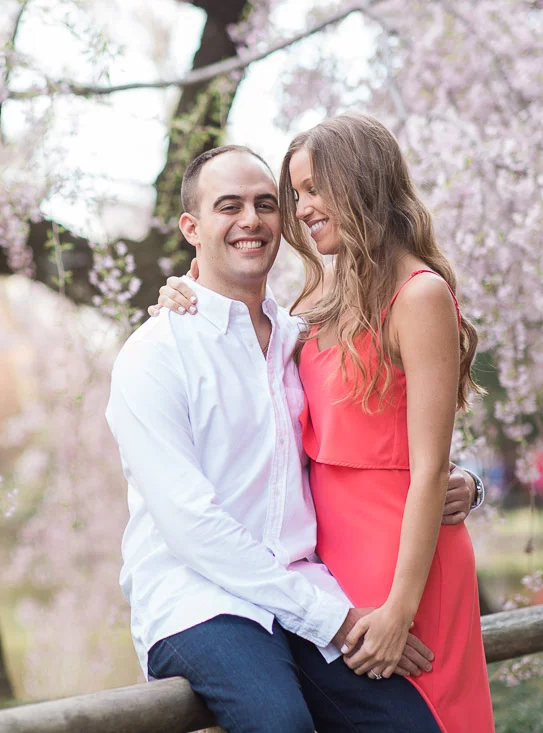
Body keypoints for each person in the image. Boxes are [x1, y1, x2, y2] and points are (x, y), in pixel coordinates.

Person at [107, 143, 483, 733]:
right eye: (228, 206)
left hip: (305, 593)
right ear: (192, 227)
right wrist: (331, 619)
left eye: (265, 203)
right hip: (203, 600)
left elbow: (371, 427)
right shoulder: (156, 355)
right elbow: (193, 527)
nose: (250, 220)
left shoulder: (297, 335)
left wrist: (465, 481)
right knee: (281, 724)